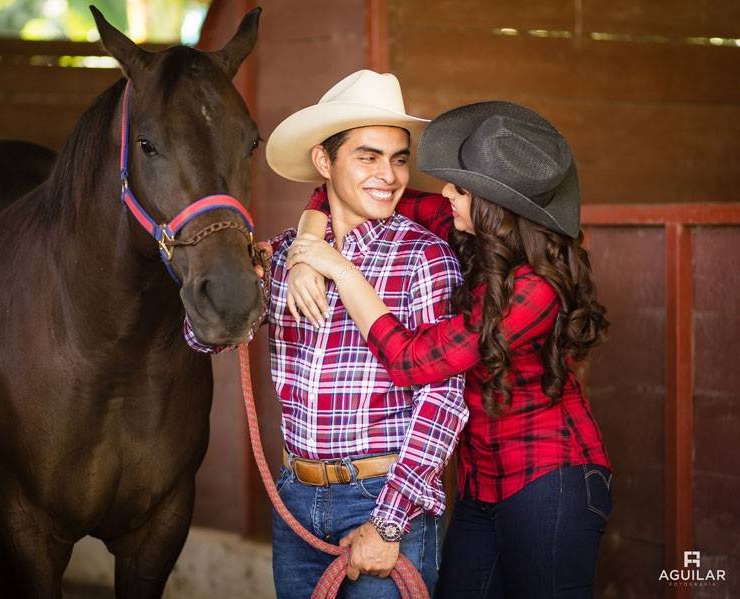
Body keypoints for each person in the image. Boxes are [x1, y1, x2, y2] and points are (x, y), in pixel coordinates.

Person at [286, 101, 612, 599]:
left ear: (490, 206)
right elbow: (343, 190)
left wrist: (341, 270)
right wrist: (305, 250)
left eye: (458, 188)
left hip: (550, 478)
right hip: (480, 483)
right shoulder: (461, 222)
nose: (443, 194)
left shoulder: (535, 289)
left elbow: (414, 360)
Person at [183, 70, 468, 598]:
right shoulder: (287, 256)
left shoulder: (424, 257)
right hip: (296, 495)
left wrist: (389, 522)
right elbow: (206, 339)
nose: (389, 174)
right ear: (324, 162)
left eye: (399, 157)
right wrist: (228, 273)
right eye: (368, 156)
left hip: (382, 495)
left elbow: (443, 402)